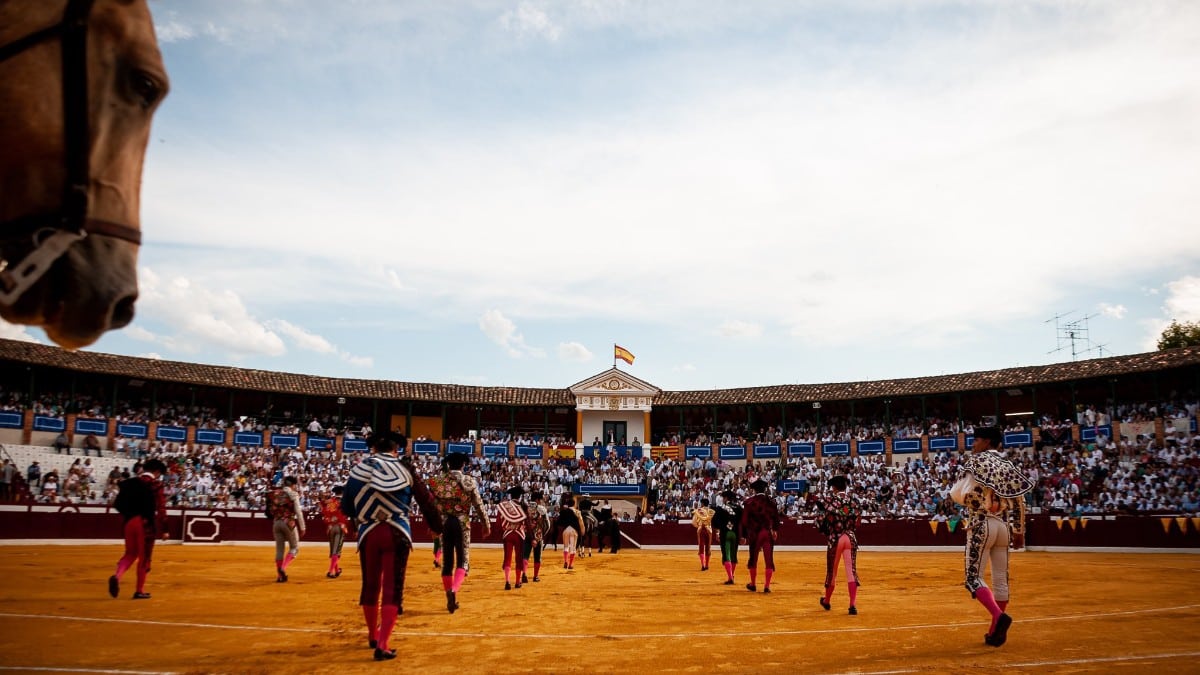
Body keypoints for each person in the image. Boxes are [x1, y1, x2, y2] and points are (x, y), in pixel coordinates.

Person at [341, 431, 442, 661]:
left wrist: (365, 512)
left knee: (370, 584)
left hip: (369, 533)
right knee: (392, 588)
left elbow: (347, 507)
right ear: (396, 449)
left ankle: (372, 635)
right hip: (397, 532)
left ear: (373, 449)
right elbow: (426, 500)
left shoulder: (359, 470)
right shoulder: (404, 469)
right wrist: (437, 526)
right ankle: (384, 644)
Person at [951, 425, 1033, 647]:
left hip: (980, 523)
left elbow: (958, 493)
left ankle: (998, 616)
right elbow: (1019, 501)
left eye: (976, 440)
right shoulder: (1008, 466)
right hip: (1003, 528)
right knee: (1000, 580)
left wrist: (975, 502)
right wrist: (1019, 531)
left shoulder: (976, 462)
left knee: (972, 578)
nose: (973, 444)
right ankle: (994, 631)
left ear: (987, 442)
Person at [427, 452, 490, 613]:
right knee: (462, 561)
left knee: (447, 563)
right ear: (463, 465)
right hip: (462, 524)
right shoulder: (468, 481)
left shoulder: (438, 482)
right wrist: (486, 524)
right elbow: (479, 505)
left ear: (448, 465)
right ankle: (454, 590)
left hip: (445, 524)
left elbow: (432, 506)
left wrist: (432, 526)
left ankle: (449, 591)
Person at [108, 458, 167, 599]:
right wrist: (165, 529)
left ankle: (117, 576)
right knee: (144, 558)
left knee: (130, 554)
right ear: (157, 472)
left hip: (129, 523)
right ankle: (139, 590)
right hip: (145, 524)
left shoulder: (129, 483)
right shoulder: (156, 485)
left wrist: (130, 514)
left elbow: (117, 504)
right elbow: (161, 509)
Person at [817, 474, 861, 614]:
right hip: (850, 538)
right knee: (851, 572)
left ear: (834, 487)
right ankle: (852, 605)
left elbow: (820, 521)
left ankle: (827, 601)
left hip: (836, 539)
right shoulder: (853, 501)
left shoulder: (829, 500)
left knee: (832, 573)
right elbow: (857, 521)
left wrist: (826, 529)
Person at [741, 478, 782, 593]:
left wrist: (743, 535)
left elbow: (744, 521)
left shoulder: (749, 502)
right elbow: (776, 518)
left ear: (754, 490)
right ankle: (767, 586)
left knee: (753, 558)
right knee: (769, 559)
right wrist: (775, 530)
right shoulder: (771, 502)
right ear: (765, 489)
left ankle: (753, 584)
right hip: (767, 533)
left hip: (754, 533)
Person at [267, 475, 305, 582]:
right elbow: (298, 511)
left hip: (276, 523)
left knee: (279, 550)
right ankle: (283, 568)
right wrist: (302, 527)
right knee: (294, 548)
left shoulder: (275, 494)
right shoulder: (293, 494)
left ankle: (279, 577)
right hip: (288, 522)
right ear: (293, 485)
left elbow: (270, 511)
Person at [496, 485, 527, 590]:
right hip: (519, 534)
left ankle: (507, 581)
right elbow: (527, 523)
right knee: (519, 558)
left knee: (507, 558)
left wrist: (503, 532)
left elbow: (498, 523)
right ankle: (518, 582)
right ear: (520, 496)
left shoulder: (504, 506)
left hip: (508, 534)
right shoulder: (523, 506)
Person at [712, 490, 743, 585]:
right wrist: (744, 535)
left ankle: (730, 577)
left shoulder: (721, 508)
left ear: (726, 498)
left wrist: (718, 531)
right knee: (733, 555)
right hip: (735, 534)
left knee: (727, 555)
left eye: (723, 497)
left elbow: (714, 522)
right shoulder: (739, 508)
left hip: (725, 533)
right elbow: (744, 522)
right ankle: (732, 575)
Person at [320, 485, 350, 578]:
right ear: (342, 492)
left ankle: (337, 570)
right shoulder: (344, 502)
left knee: (333, 549)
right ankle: (330, 571)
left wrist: (329, 522)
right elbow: (348, 514)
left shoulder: (329, 502)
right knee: (336, 551)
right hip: (340, 527)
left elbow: (324, 513)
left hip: (330, 527)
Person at [522, 490, 551, 583]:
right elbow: (547, 525)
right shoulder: (541, 509)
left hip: (526, 535)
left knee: (525, 556)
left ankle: (524, 574)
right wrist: (542, 534)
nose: (541, 501)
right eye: (541, 500)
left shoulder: (525, 508)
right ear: (538, 500)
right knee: (537, 557)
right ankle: (535, 576)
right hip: (538, 535)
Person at [556, 494, 586, 569]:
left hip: (566, 530)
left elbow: (558, 521)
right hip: (574, 531)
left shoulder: (563, 512)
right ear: (574, 504)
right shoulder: (577, 512)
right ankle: (570, 564)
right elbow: (581, 522)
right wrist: (582, 531)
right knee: (572, 548)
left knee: (566, 547)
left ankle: (565, 561)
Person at [691, 498, 716, 571]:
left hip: (701, 530)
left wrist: (698, 526)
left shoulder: (698, 511)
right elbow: (715, 522)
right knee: (708, 547)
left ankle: (703, 565)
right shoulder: (712, 511)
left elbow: (693, 523)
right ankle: (707, 565)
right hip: (709, 531)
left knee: (701, 547)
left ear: (702, 504)